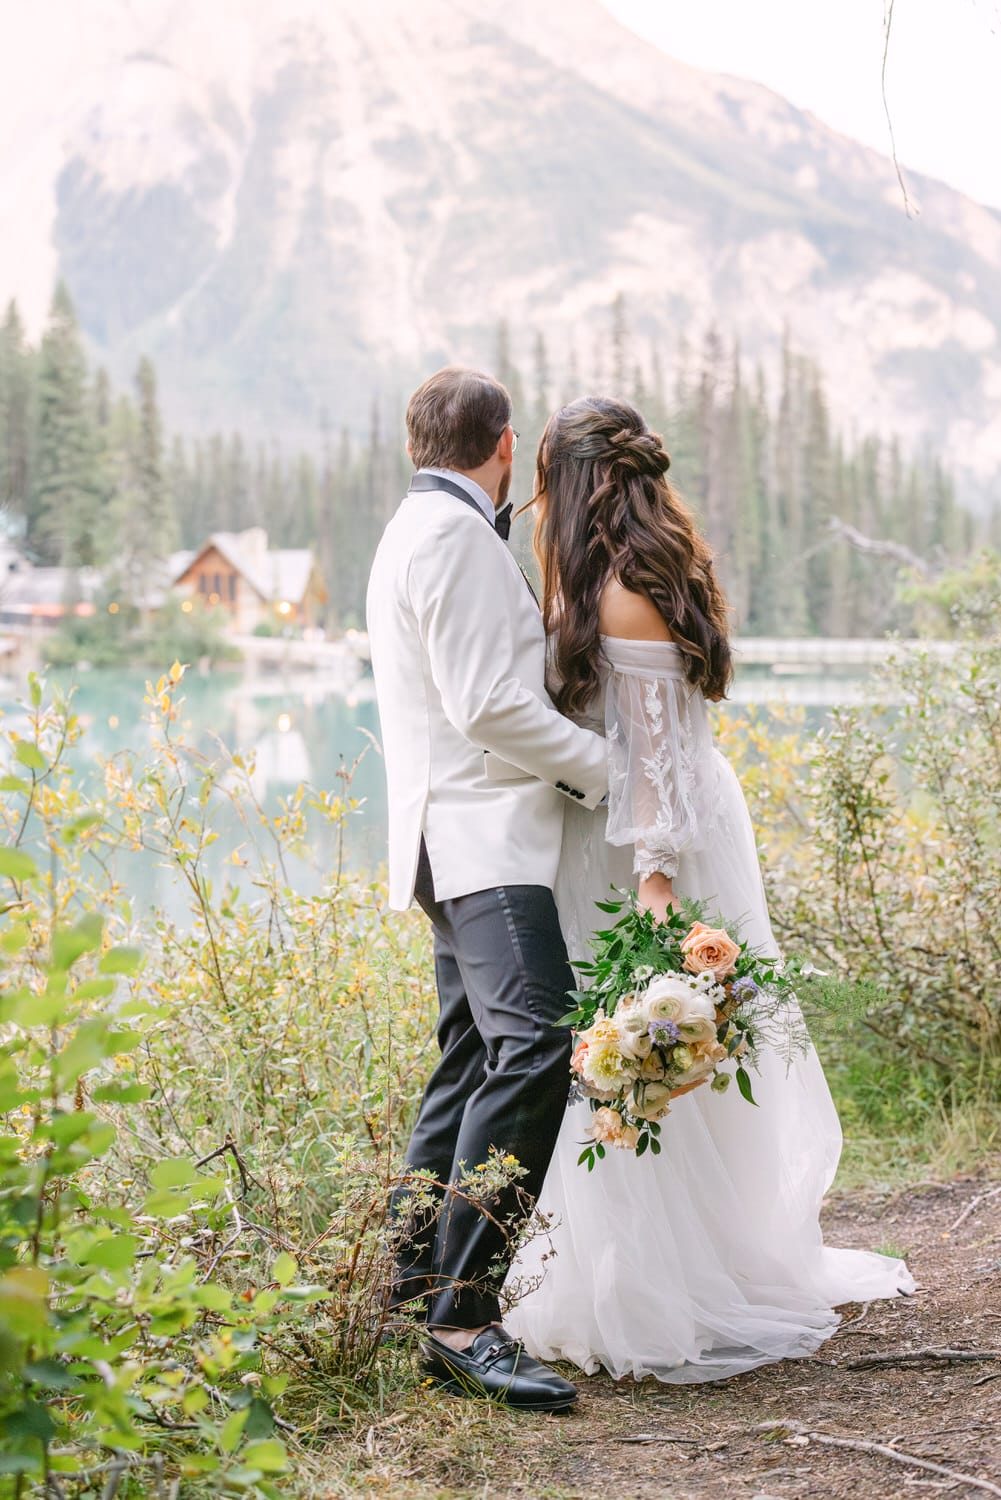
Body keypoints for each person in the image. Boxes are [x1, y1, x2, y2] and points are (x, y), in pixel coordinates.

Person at [505, 396, 914, 1382]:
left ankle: (655, 1284)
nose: (533, 503)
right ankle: (618, 1264)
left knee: (639, 1065)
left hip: (649, 846)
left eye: (544, 483)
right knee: (634, 1073)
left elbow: (651, 757)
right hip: (649, 826)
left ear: (577, 485)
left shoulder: (623, 592)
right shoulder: (630, 569)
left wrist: (650, 898)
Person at [365, 368, 608, 1411]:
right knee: (535, 1048)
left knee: (472, 1055)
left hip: (446, 836)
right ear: (502, 445)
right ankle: (464, 1315)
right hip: (482, 842)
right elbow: (487, 707)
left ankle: (411, 1283)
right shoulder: (458, 538)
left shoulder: (411, 526)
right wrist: (602, 770)